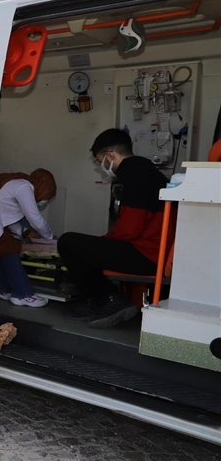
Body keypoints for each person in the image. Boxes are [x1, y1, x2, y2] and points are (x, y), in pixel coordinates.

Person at [57, 128, 171, 329]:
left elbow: (130, 229)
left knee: (68, 242)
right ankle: (97, 300)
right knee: (89, 246)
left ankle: (111, 299)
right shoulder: (149, 172)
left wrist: (102, 243)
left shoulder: (134, 174)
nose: (101, 166)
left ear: (110, 155)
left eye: (99, 160)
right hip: (156, 251)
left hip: (147, 254)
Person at [0, 169, 58, 308]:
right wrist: (50, 238)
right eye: (47, 197)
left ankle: (3, 290)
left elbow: (9, 218)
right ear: (43, 187)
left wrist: (27, 233)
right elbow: (35, 219)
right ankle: (23, 294)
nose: (44, 201)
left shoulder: (20, 185)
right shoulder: (24, 187)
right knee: (10, 248)